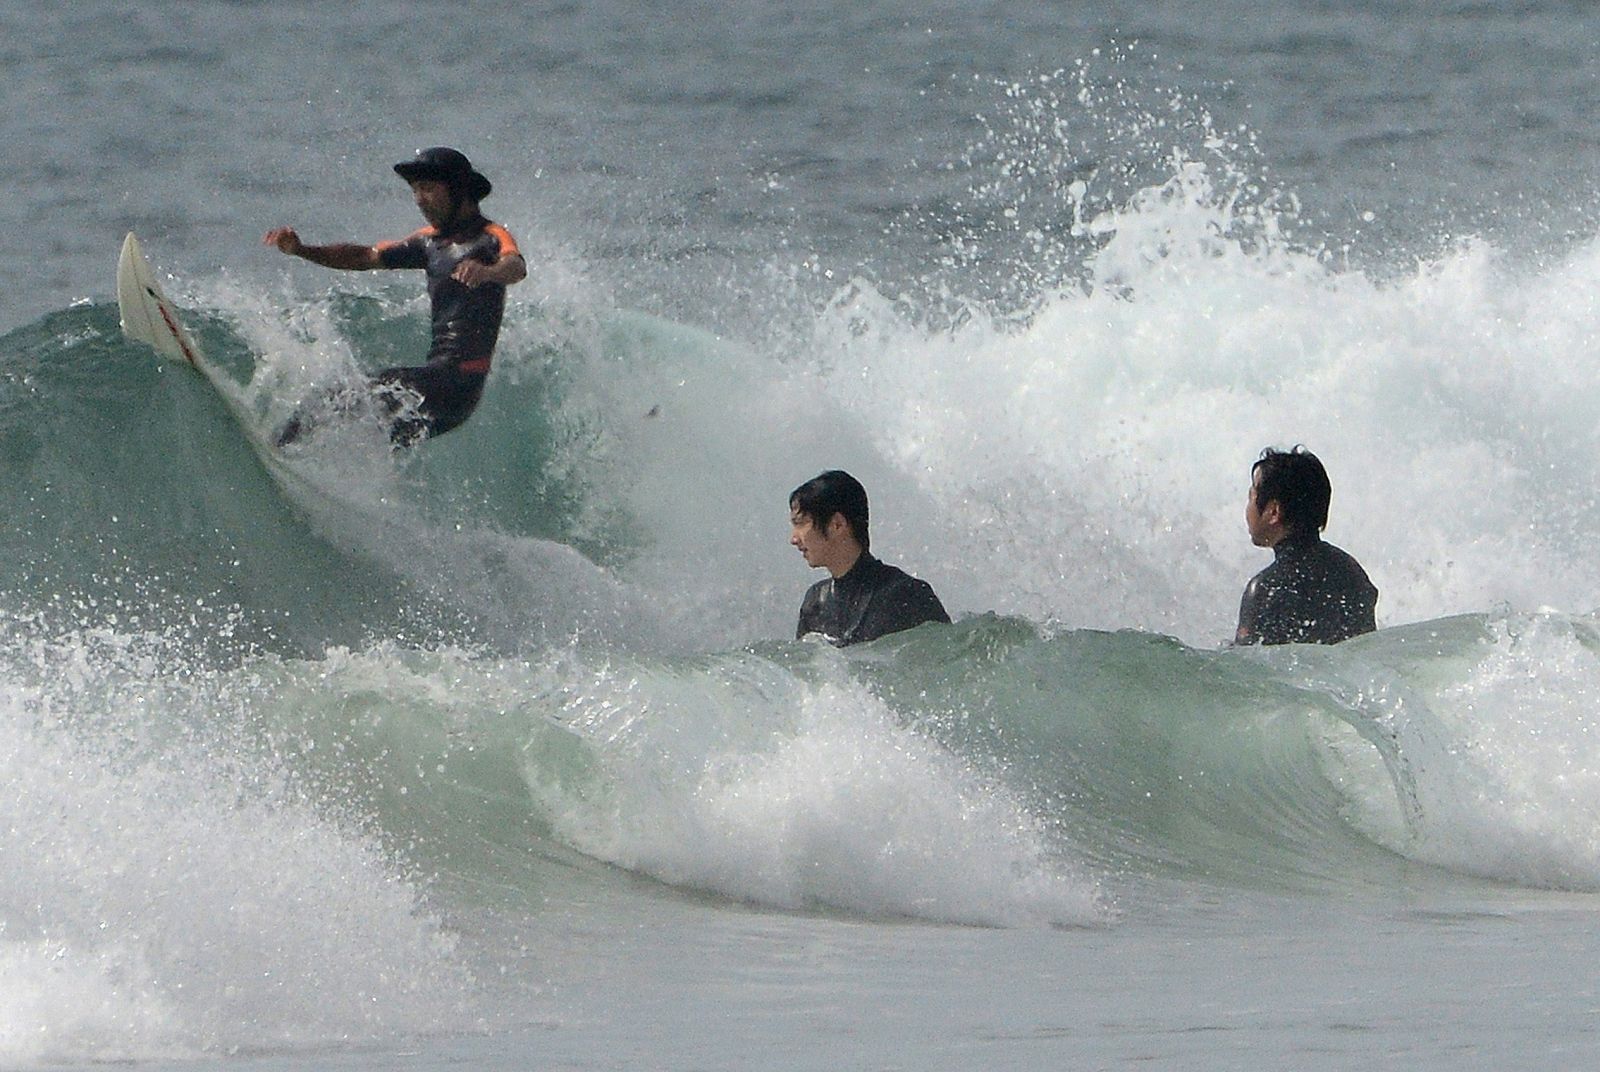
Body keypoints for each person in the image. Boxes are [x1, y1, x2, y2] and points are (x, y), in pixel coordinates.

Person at [262, 147, 527, 446]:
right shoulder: (429, 242)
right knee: (361, 436)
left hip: (456, 386)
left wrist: (488, 272)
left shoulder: (490, 237)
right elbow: (366, 256)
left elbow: (515, 266)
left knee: (341, 396)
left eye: (427, 189)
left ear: (459, 190)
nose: (419, 199)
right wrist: (302, 250)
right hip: (439, 390)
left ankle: (276, 448)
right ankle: (319, 478)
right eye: (415, 190)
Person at [1235, 446, 1378, 646]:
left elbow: (1241, 667)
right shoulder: (1352, 573)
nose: (1247, 508)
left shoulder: (1265, 589)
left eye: (1251, 496)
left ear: (1274, 512)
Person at [789, 470, 951, 646]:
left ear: (837, 524)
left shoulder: (906, 594)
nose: (794, 539)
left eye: (801, 523)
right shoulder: (815, 602)